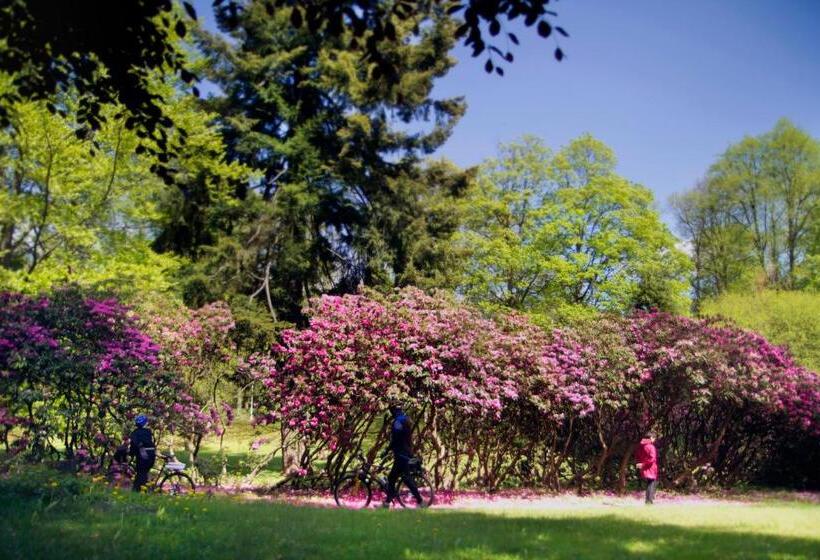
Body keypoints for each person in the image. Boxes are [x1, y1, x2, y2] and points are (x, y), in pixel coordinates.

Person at [382, 405, 424, 508]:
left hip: (401, 454)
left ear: (393, 411)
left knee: (403, 478)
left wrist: (386, 450)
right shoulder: (405, 419)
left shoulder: (397, 422)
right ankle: (388, 501)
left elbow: (395, 439)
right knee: (394, 477)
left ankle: (420, 501)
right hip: (406, 452)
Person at [129, 414, 156, 492]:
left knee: (141, 473)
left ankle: (141, 491)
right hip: (151, 454)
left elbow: (134, 446)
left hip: (143, 455)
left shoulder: (135, 433)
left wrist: (130, 454)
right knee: (143, 473)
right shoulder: (148, 432)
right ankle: (137, 490)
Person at [635, 431, 658, 504]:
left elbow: (637, 455)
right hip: (650, 467)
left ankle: (647, 501)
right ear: (651, 438)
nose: (654, 440)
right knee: (651, 484)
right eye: (654, 438)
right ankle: (649, 501)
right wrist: (644, 464)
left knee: (649, 483)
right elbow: (652, 458)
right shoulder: (651, 447)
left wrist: (641, 464)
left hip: (644, 467)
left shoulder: (641, 446)